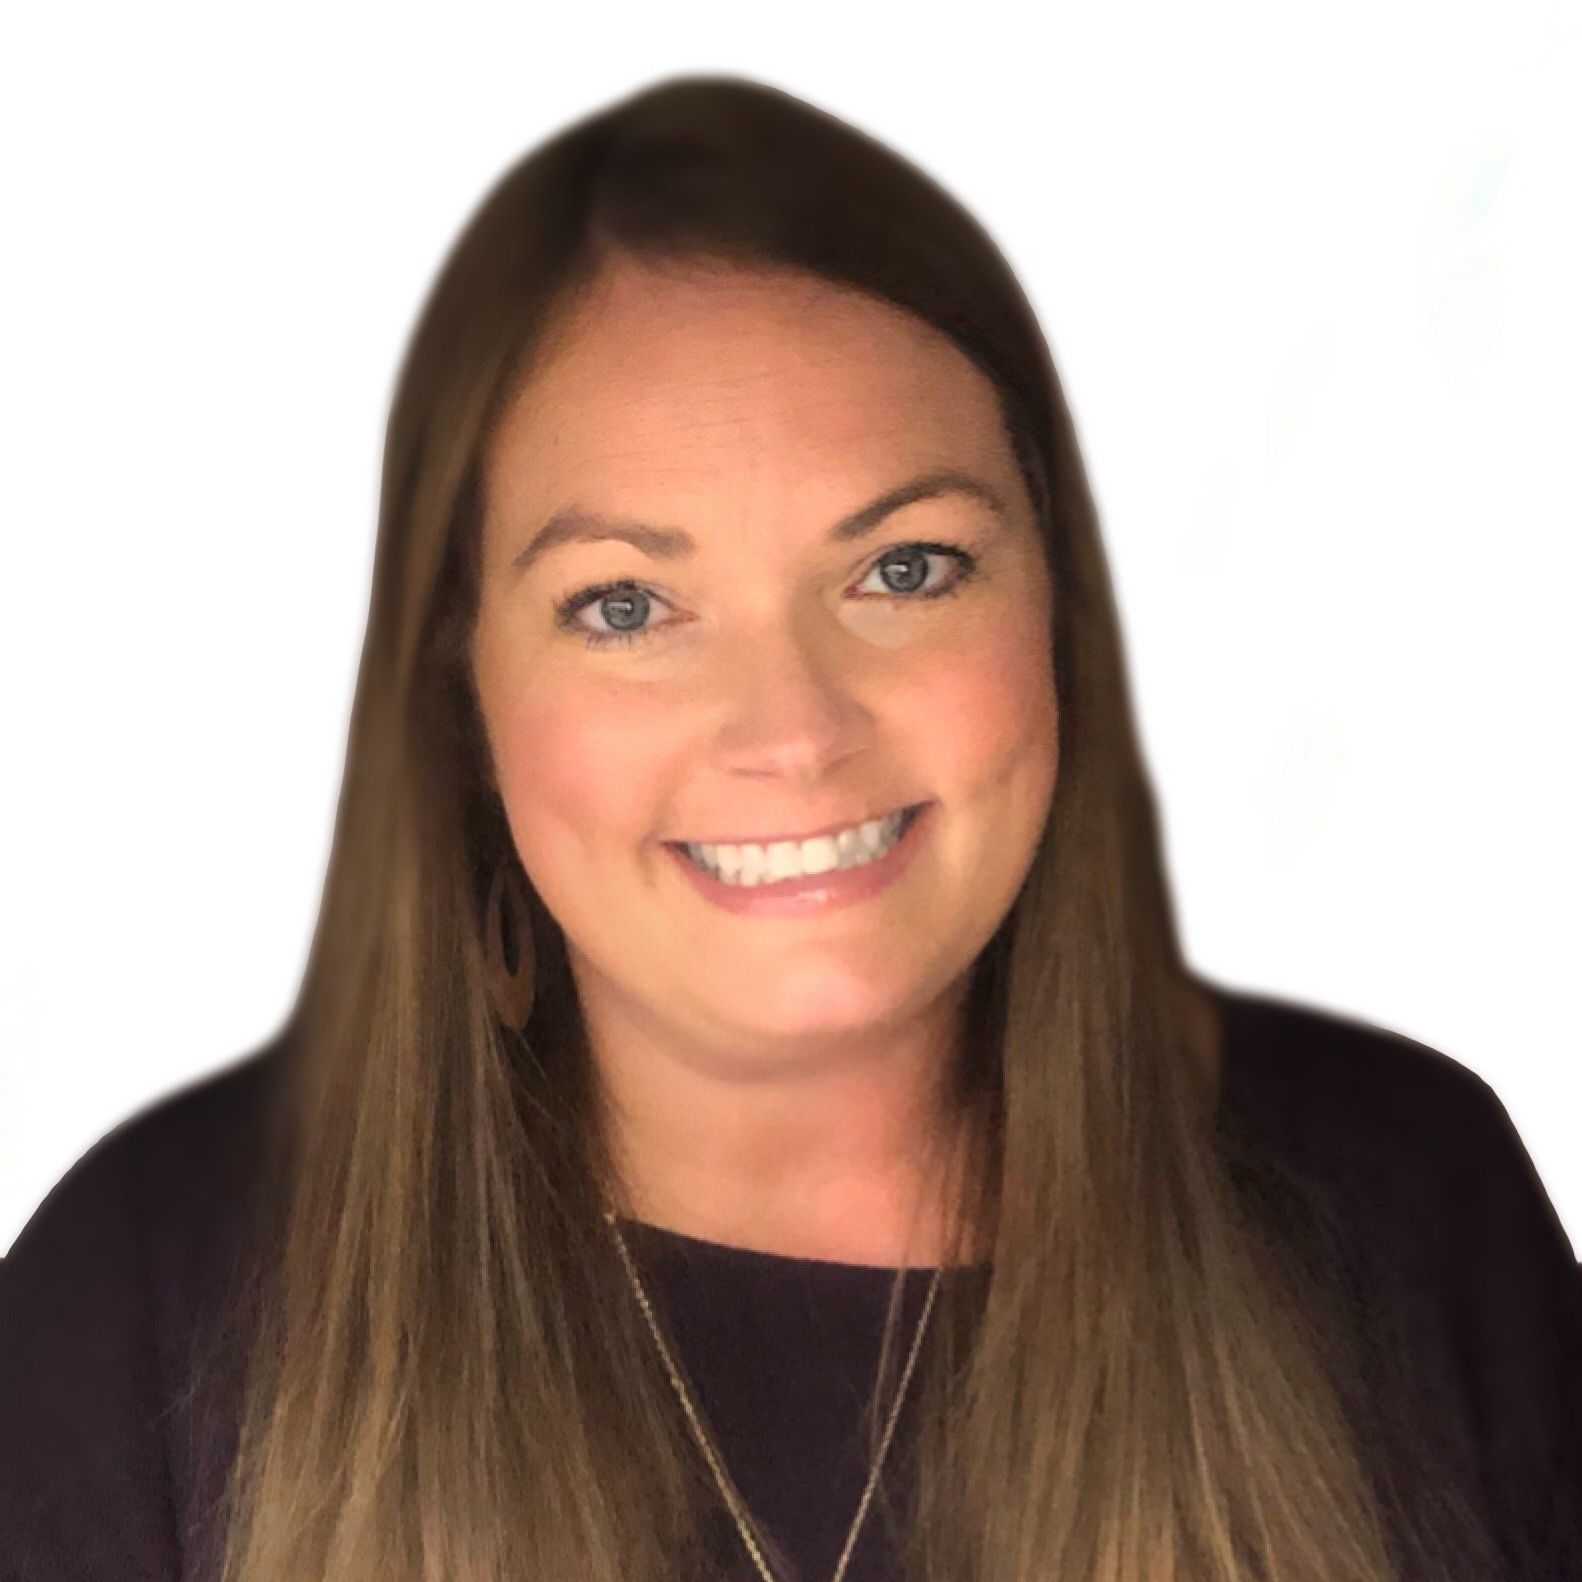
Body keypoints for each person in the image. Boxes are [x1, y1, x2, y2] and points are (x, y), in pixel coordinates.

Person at [1, 74, 1577, 1582]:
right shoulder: (140, 1301)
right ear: (458, 693)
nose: (794, 730)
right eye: (624, 604)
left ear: (1059, 609)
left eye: (902, 569)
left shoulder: (1409, 1206)